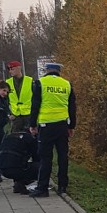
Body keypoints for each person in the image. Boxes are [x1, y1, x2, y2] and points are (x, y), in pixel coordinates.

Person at [28, 62, 76, 198]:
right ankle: (62, 187)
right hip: (62, 126)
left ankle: (43, 188)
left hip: (46, 126)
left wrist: (32, 124)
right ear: (58, 72)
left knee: (45, 158)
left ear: (47, 70)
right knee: (62, 156)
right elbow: (72, 107)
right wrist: (72, 126)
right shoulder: (67, 84)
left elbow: (35, 105)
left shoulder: (40, 83)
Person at [0, 129, 39, 194]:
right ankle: (21, 185)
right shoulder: (30, 139)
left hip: (0, 169)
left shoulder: (9, 136)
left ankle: (18, 185)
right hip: (14, 168)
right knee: (42, 167)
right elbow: (37, 158)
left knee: (17, 162)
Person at [5, 61, 33, 133]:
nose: (10, 71)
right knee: (15, 138)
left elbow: (35, 98)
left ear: (19, 68)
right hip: (15, 116)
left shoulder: (30, 81)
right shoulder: (7, 83)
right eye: (9, 69)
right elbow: (4, 100)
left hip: (28, 115)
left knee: (30, 138)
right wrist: (9, 114)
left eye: (12, 69)